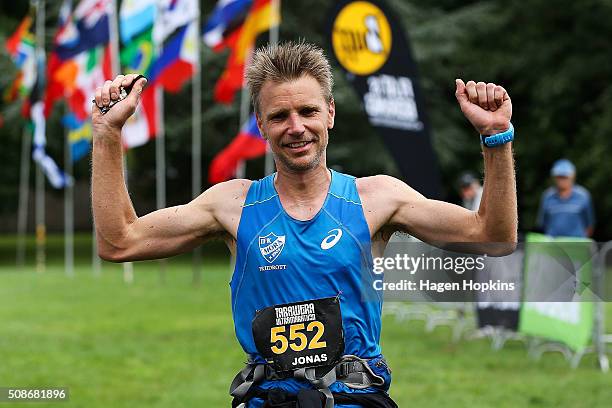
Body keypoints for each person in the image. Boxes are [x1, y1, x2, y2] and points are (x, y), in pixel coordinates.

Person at [91, 42, 517, 407]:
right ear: (261, 125)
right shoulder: (231, 205)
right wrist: (108, 134)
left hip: (356, 398)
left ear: (329, 113)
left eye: (308, 111)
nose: (296, 128)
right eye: (279, 116)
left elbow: (493, 237)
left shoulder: (378, 198)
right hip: (266, 399)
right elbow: (120, 242)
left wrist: (497, 138)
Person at [536, 159, 594, 238]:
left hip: (576, 245)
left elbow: (589, 225)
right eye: (559, 177)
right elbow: (542, 224)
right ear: (554, 177)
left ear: (572, 177)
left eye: (565, 177)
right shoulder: (547, 196)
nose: (562, 180)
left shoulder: (583, 195)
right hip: (553, 246)